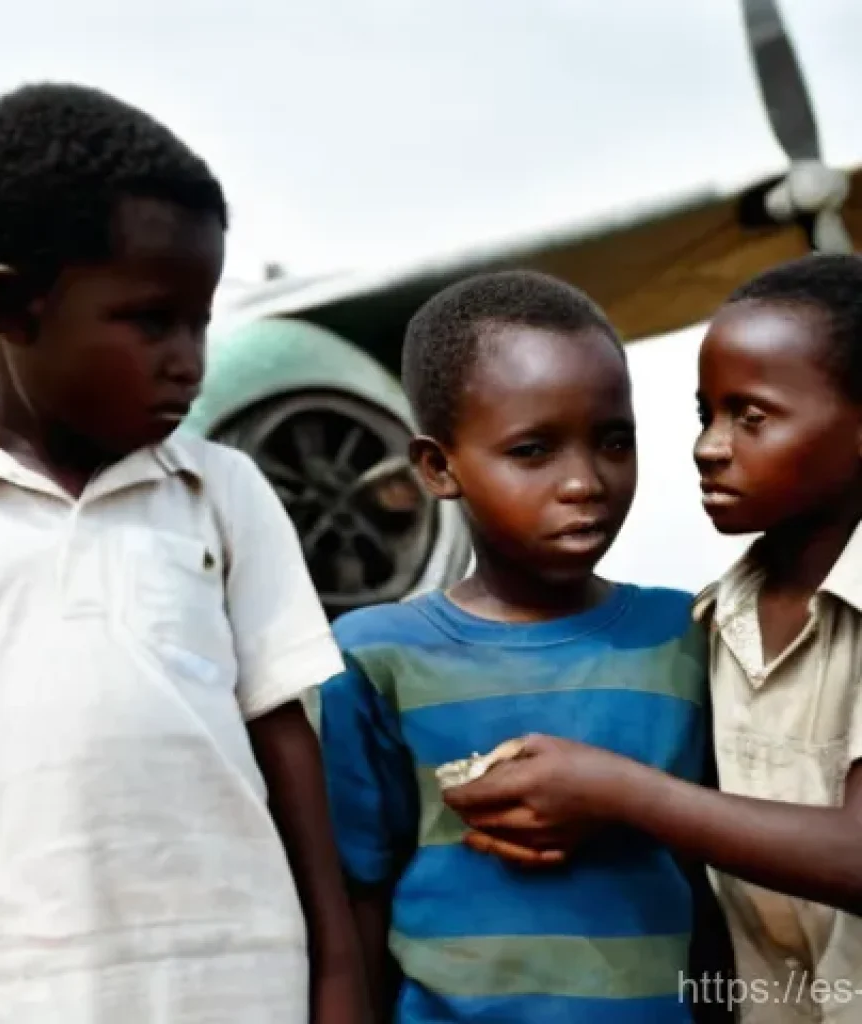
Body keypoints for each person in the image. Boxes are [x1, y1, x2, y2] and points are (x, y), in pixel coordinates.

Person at [0, 83, 367, 1024]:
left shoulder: (227, 495)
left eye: (201, 321)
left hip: (248, 984)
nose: (190, 359)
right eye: (151, 319)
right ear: (11, 310)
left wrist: (335, 975)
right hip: (23, 996)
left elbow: (285, 737)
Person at [444, 253, 862, 1023]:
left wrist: (616, 792)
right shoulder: (706, 625)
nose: (709, 446)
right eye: (707, 413)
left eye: (752, 417)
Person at [316, 270, 734, 1023]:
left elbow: (714, 883)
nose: (585, 482)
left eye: (614, 441)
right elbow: (358, 894)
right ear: (439, 468)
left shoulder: (688, 635)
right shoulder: (373, 658)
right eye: (534, 450)